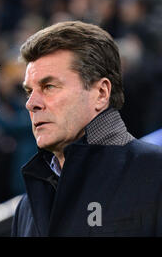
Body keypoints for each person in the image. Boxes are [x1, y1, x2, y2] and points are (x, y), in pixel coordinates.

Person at [11, 21, 162, 237]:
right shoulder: (28, 207)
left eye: (49, 87)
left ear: (101, 93)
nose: (31, 103)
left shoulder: (155, 175)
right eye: (29, 91)